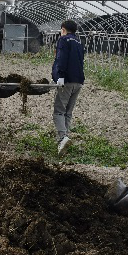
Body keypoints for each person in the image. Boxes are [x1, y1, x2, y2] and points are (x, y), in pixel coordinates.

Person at [51, 20, 85, 156]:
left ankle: (62, 138)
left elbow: (61, 58)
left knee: (58, 112)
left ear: (63, 29)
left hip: (67, 81)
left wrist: (59, 75)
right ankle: (64, 142)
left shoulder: (64, 40)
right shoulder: (78, 42)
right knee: (68, 112)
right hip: (78, 81)